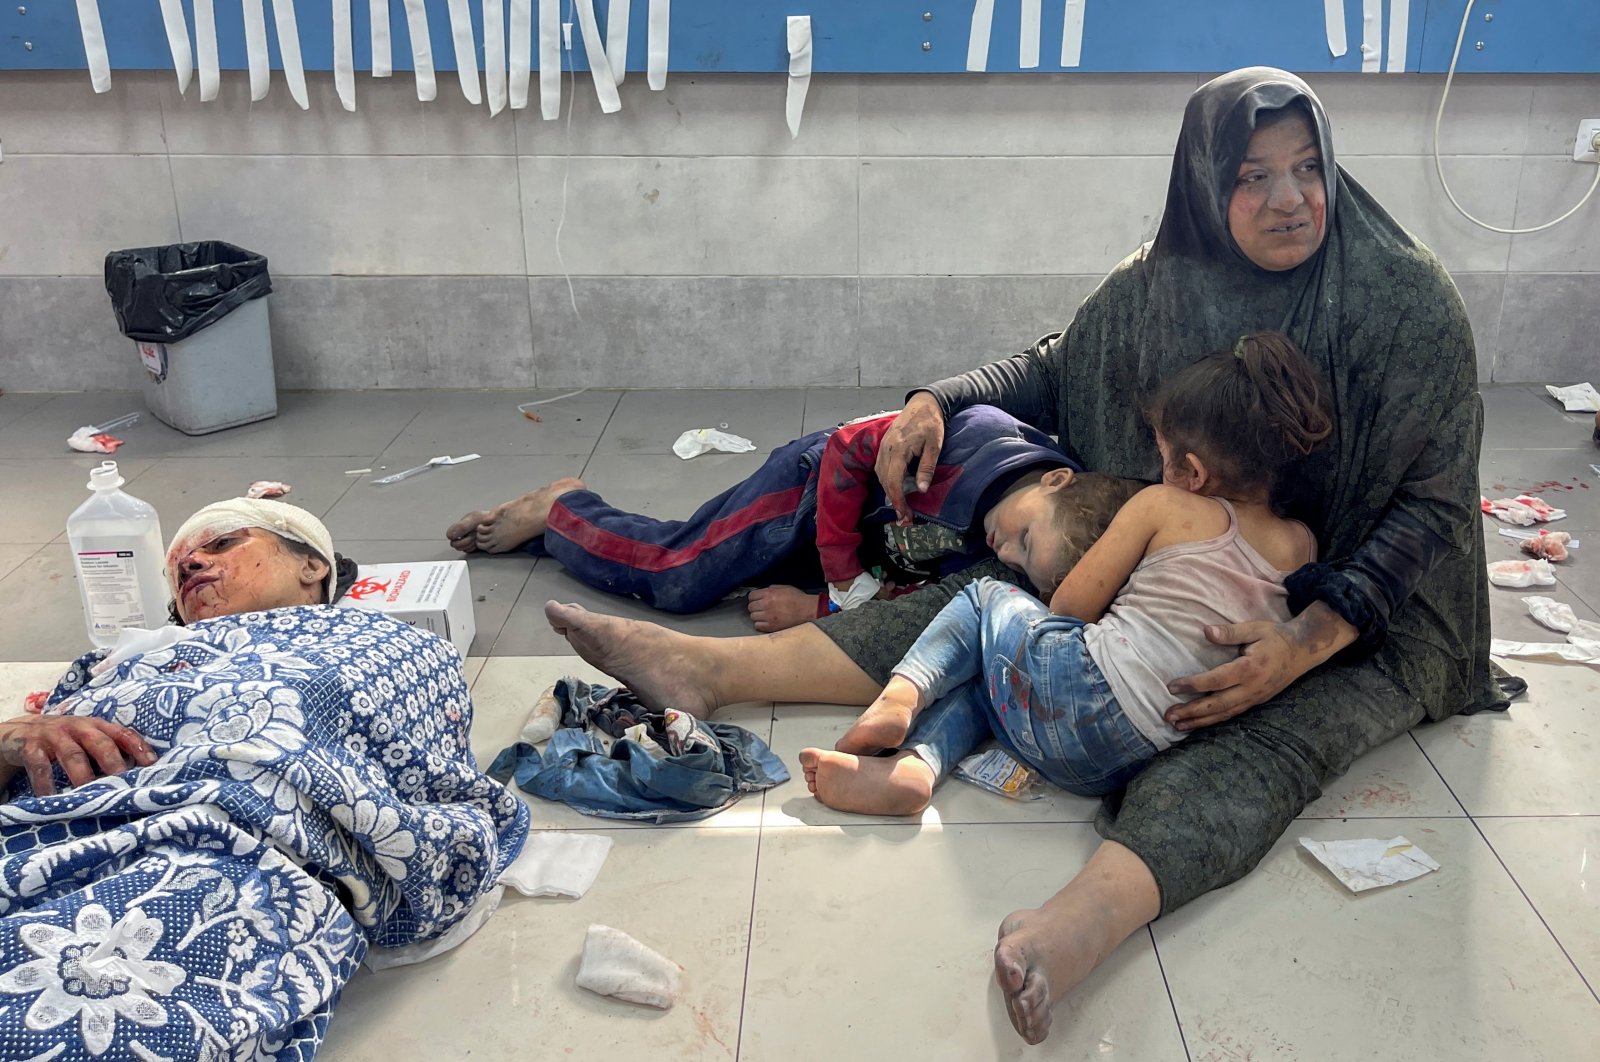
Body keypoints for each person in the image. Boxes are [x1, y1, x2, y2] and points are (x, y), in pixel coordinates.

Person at [540, 67, 1502, 1045]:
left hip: (1371, 616)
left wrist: (1301, 642)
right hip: (1202, 560)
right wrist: (936, 401)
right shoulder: (1162, 286)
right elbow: (1053, 362)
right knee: (1003, 597)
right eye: (1251, 176)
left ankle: (1073, 928)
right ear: (1205, 188)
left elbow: (1430, 509)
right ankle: (706, 669)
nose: (1288, 198)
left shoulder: (1399, 300)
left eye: (1306, 169)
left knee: (1252, 734)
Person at [0, 498, 528, 1060]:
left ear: (312, 566)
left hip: (223, 852)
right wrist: (10, 742)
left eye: (222, 543)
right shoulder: (112, 664)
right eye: (180, 567)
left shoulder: (385, 644)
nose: (193, 563)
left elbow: (422, 779)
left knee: (73, 1001)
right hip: (30, 834)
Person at [799, 332, 1328, 815]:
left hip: (1085, 688)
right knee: (994, 679)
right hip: (1121, 760)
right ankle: (915, 768)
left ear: (1192, 472)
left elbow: (1068, 609)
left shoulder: (1162, 504)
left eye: (1162, 455)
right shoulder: (1302, 545)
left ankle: (900, 698)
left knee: (987, 597)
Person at [446, 406, 1140, 632]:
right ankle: (563, 507)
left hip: (851, 544)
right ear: (1055, 479)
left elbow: (917, 586)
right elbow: (847, 449)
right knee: (683, 574)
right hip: (809, 492)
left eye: (1021, 563)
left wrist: (816, 606)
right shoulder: (971, 438)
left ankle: (559, 530)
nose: (1005, 552)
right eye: (1022, 537)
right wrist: (837, 579)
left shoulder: (1008, 545)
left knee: (695, 562)